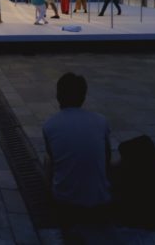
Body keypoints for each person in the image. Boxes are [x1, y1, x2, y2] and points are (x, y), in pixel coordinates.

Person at [43, 73, 112, 227]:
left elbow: (54, 161)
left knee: (47, 160)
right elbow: (107, 158)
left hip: (64, 201)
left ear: (58, 96)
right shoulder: (100, 121)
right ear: (83, 97)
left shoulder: (49, 125)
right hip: (99, 200)